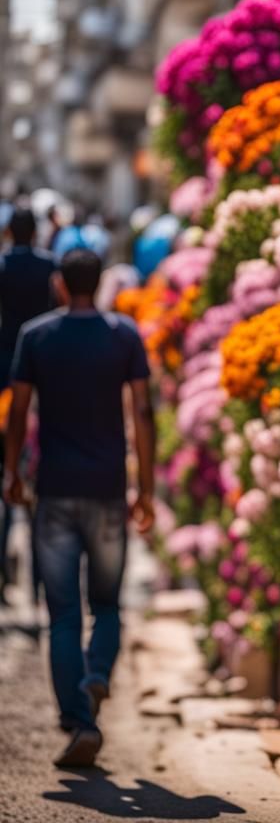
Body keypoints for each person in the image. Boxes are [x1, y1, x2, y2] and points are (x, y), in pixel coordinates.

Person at [2, 248, 155, 768]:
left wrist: (11, 474)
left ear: (61, 285)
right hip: (109, 490)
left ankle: (79, 719)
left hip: (56, 491)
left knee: (62, 613)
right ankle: (94, 679)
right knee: (108, 605)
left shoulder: (37, 336)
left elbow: (18, 409)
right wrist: (147, 489)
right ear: (99, 284)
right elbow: (143, 413)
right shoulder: (124, 335)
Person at [0, 207, 55, 602]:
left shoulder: (2, 267)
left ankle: (4, 569)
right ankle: (39, 579)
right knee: (37, 471)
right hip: (44, 377)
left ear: (7, 232)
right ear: (35, 233)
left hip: (4, 377)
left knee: (7, 469)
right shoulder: (50, 268)